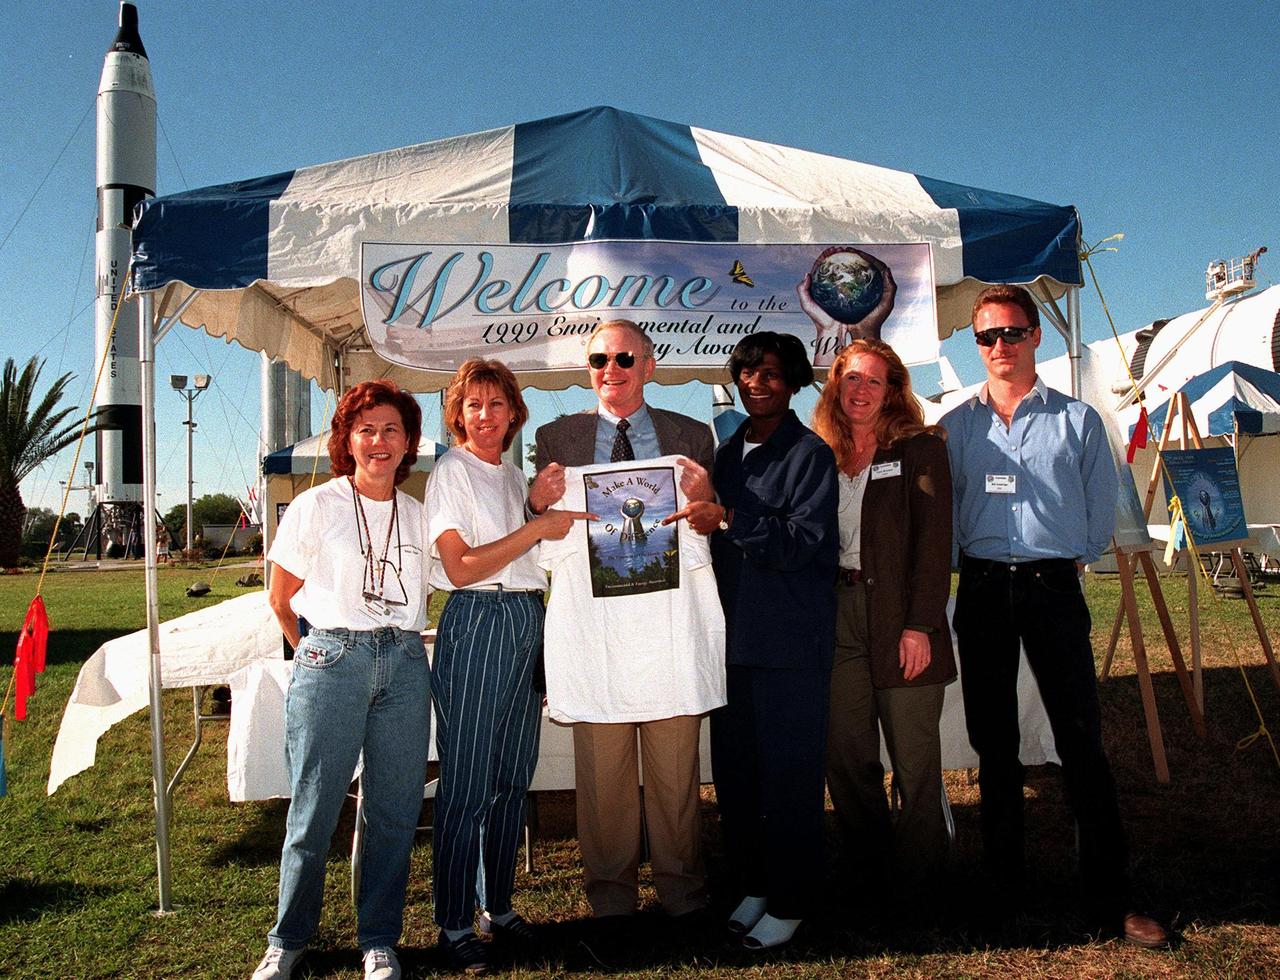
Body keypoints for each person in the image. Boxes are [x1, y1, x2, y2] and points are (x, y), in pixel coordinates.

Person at [940, 284, 1169, 948]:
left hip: (1051, 587)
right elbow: (949, 514)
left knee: (1081, 744)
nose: (999, 347)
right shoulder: (957, 426)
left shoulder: (1078, 421)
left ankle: (1110, 899)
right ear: (976, 343)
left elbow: (1101, 514)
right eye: (986, 336)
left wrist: (1065, 555)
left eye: (1011, 333)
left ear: (1036, 336)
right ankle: (1004, 891)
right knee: (995, 747)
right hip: (982, 589)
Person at [528, 318, 715, 926]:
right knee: (604, 779)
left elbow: (712, 522)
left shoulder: (692, 436)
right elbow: (533, 528)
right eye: (599, 359)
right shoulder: (556, 437)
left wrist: (708, 499)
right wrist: (535, 501)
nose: (611, 370)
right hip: (597, 636)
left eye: (625, 359)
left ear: (650, 365)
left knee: (674, 775)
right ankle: (610, 898)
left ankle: (682, 890)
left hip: (669, 632)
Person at [253, 380, 431, 980]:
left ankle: (378, 937)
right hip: (333, 659)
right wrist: (316, 654)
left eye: (391, 430)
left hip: (405, 666)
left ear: (408, 442)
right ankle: (289, 938)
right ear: (347, 439)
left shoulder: (417, 513)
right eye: (366, 429)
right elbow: (281, 599)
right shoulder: (316, 505)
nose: (379, 442)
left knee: (393, 811)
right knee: (314, 810)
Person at [426, 359, 592, 974]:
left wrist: (531, 506)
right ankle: (451, 923)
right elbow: (462, 567)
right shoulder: (450, 472)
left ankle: (496, 905)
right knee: (467, 787)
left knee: (511, 780)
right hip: (479, 620)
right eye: (474, 406)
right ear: (458, 414)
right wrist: (539, 526)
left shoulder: (504, 475)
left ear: (514, 413)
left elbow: (518, 545)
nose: (486, 416)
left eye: (497, 405)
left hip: (525, 618)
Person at [673, 331, 838, 950]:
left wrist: (732, 520)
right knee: (739, 774)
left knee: (790, 777)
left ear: (793, 381)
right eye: (747, 373)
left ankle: (794, 899)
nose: (756, 384)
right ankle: (755, 884)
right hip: (732, 640)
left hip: (789, 642)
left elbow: (801, 542)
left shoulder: (810, 453)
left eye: (770, 374)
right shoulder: (727, 451)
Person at [811, 338, 956, 906]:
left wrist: (920, 624)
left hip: (900, 617)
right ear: (835, 386)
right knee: (846, 755)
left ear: (893, 389)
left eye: (874, 380)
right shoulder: (821, 452)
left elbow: (933, 543)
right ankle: (869, 875)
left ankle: (922, 884)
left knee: (914, 759)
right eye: (851, 379)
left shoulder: (920, 448)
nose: (861, 390)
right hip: (837, 615)